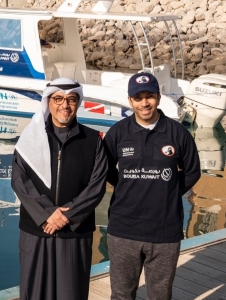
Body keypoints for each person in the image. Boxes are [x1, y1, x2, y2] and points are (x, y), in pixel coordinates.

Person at [104, 72, 201, 300]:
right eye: (138, 98)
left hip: (164, 232)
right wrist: (127, 185)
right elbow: (105, 170)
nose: (144, 103)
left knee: (160, 296)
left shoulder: (178, 133)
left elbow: (192, 171)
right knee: (121, 295)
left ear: (158, 97)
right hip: (123, 230)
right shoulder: (118, 133)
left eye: (149, 96)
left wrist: (168, 192)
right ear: (130, 101)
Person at [11, 78, 109, 300]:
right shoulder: (30, 138)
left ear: (78, 103)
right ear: (48, 101)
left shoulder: (93, 140)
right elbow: (19, 181)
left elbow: (97, 185)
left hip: (74, 232)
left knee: (71, 294)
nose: (65, 105)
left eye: (71, 99)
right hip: (37, 230)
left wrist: (67, 216)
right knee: (35, 294)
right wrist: (47, 214)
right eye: (58, 99)